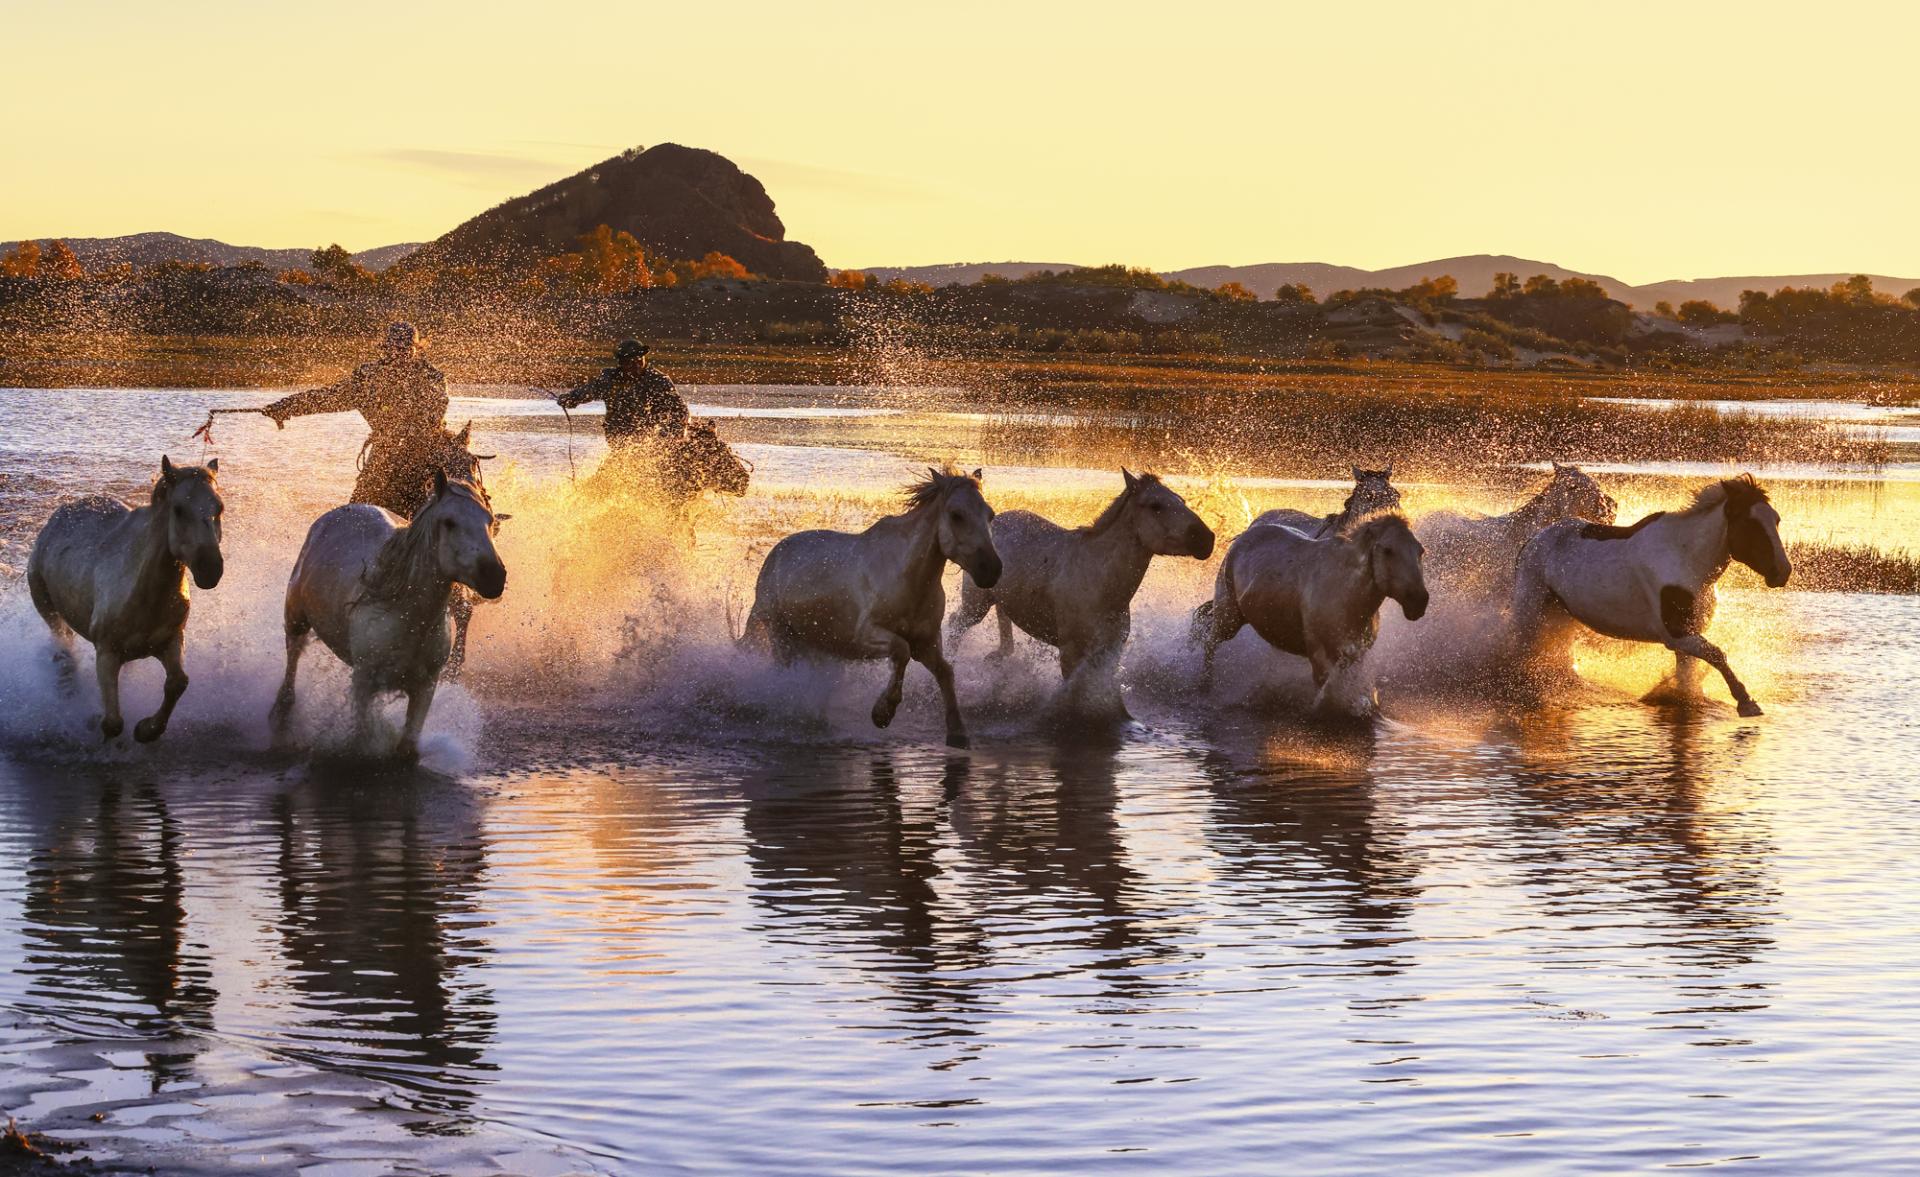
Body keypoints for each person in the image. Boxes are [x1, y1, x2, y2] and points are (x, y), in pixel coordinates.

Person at [257, 322, 451, 515]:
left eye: (406, 348)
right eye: (396, 347)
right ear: (386, 348)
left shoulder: (431, 377)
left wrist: (408, 434)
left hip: (426, 453)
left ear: (416, 349)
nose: (401, 353)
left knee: (453, 497)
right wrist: (285, 407)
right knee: (357, 512)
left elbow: (435, 414)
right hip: (384, 455)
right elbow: (327, 398)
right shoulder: (367, 378)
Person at [555, 339, 688, 450]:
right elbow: (587, 392)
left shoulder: (658, 381)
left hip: (651, 438)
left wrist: (674, 438)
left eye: (639, 360)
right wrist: (570, 399)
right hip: (618, 438)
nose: (636, 365)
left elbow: (680, 411)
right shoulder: (608, 380)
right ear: (621, 363)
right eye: (630, 362)